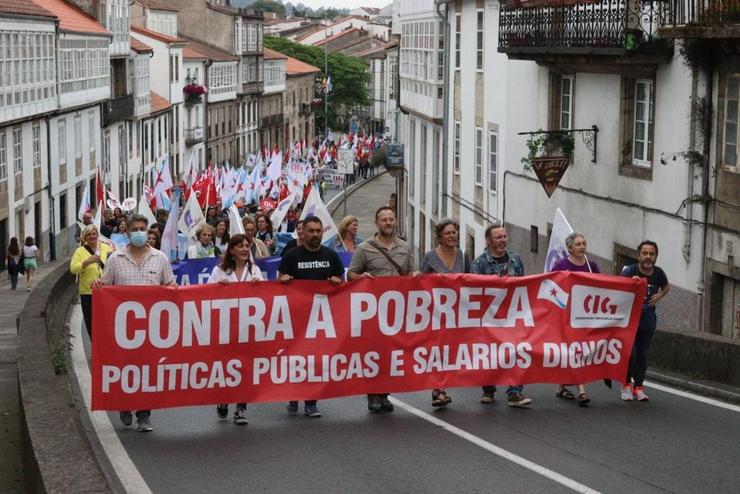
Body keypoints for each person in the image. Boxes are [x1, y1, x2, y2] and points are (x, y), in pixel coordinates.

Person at [92, 214, 177, 432]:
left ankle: (144, 415)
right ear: (127, 232)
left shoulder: (160, 258)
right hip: (123, 331)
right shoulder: (115, 259)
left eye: (143, 228)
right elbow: (105, 287)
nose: (140, 232)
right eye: (135, 228)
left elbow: (171, 287)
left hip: (152, 330)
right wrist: (97, 286)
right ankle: (124, 404)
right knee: (126, 371)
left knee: (147, 373)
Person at [348, 206, 414, 413]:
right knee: (374, 354)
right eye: (384, 220)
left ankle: (384, 393)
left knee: (391, 355)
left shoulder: (404, 248)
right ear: (377, 223)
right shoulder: (365, 248)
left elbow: (408, 274)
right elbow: (351, 274)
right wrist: (361, 278)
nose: (388, 223)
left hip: (396, 312)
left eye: (391, 219)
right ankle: (373, 393)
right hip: (373, 313)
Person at [278, 216, 344, 417]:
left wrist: (336, 281)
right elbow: (278, 281)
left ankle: (311, 401)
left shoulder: (331, 255)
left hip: (321, 320)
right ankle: (293, 394)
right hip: (296, 318)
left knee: (315, 360)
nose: (315, 235)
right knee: (296, 359)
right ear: (303, 233)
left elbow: (342, 280)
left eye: (318, 231)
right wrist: (284, 280)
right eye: (311, 231)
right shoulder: (291, 255)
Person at [470, 225, 532, 408]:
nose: (503, 240)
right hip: (490, 316)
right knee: (491, 353)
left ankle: (515, 392)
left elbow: (523, 283)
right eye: (498, 237)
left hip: (513, 314)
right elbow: (474, 290)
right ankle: (488, 389)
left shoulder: (516, 259)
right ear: (489, 241)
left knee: (517, 350)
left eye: (505, 236)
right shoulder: (479, 263)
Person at [207, 234, 264, 424]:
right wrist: (218, 287)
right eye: (240, 246)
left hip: (248, 329)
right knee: (225, 366)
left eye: (247, 246)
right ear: (231, 250)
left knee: (245, 368)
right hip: (225, 328)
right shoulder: (219, 271)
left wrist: (259, 287)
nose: (245, 249)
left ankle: (241, 408)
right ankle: (223, 399)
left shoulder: (254, 270)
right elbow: (205, 295)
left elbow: (267, 297)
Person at [420, 220, 469, 407]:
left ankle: (443, 387)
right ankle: (438, 389)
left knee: (450, 352)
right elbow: (419, 283)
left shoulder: (463, 257)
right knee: (437, 351)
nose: (452, 236)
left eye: (454, 233)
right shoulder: (430, 257)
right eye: (448, 233)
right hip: (434, 314)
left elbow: (470, 281)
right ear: (440, 236)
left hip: (456, 314)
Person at [551, 232, 601, 406]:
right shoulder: (561, 265)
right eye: (578, 244)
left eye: (584, 243)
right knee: (574, 349)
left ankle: (560, 387)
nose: (582, 247)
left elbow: (600, 285)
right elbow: (552, 285)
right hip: (567, 313)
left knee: (577, 349)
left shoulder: (591, 265)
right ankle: (581, 390)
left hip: (585, 314)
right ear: (570, 248)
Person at [619, 240, 669, 402]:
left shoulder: (658, 273)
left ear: (655, 256)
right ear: (639, 255)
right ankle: (626, 384)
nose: (648, 257)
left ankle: (638, 387)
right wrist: (629, 283)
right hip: (629, 322)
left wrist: (660, 296)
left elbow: (666, 286)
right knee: (630, 355)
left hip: (647, 321)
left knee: (642, 356)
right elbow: (616, 288)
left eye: (651, 254)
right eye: (645, 253)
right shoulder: (630, 271)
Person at [70, 225, 113, 340]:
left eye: (94, 234)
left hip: (106, 290)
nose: (92, 236)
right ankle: (95, 346)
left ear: (97, 235)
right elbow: (73, 269)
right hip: (88, 292)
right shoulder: (80, 251)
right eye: (88, 234)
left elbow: (113, 265)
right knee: (90, 321)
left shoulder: (106, 248)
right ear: (85, 237)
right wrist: (86, 262)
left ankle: (106, 345)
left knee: (106, 320)